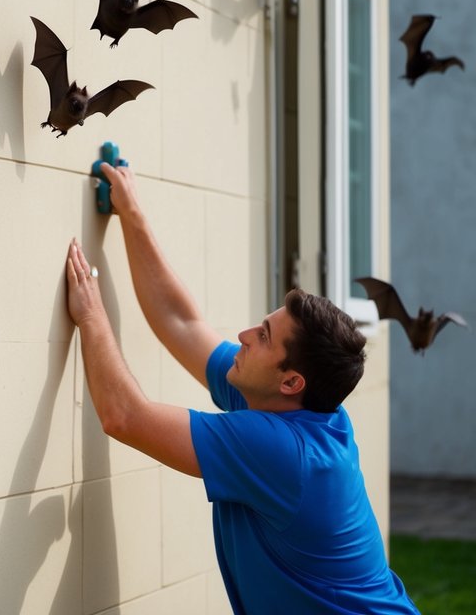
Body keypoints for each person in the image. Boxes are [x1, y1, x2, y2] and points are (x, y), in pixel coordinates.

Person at [65, 161, 419, 615]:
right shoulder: (291, 406)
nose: (245, 335)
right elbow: (183, 323)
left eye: (264, 336)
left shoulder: (282, 451)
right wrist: (133, 215)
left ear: (292, 381)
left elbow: (124, 416)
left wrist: (91, 316)